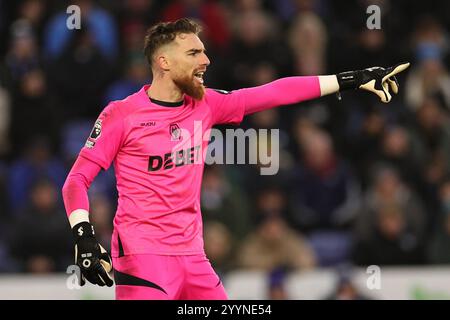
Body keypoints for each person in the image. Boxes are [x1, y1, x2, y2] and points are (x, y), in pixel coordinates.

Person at [61, 18, 409, 300]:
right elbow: (76, 180)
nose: (206, 60)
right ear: (164, 62)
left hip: (194, 257)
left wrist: (349, 80)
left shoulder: (206, 104)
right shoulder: (121, 115)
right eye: (194, 52)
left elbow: (274, 92)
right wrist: (84, 235)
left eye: (205, 52)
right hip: (143, 257)